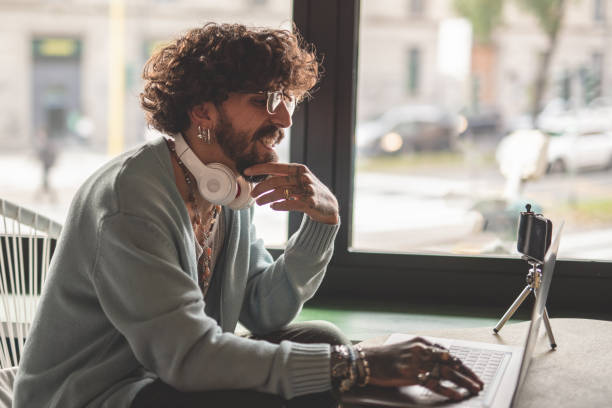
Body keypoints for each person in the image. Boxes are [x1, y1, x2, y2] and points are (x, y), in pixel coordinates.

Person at [13, 23, 483, 408]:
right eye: (263, 100)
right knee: (297, 386)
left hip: (159, 372)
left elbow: (262, 310)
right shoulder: (130, 202)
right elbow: (190, 358)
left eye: (287, 101)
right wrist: (356, 365)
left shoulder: (224, 185)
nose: (284, 121)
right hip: (96, 395)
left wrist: (322, 224)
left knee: (320, 337)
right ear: (203, 111)